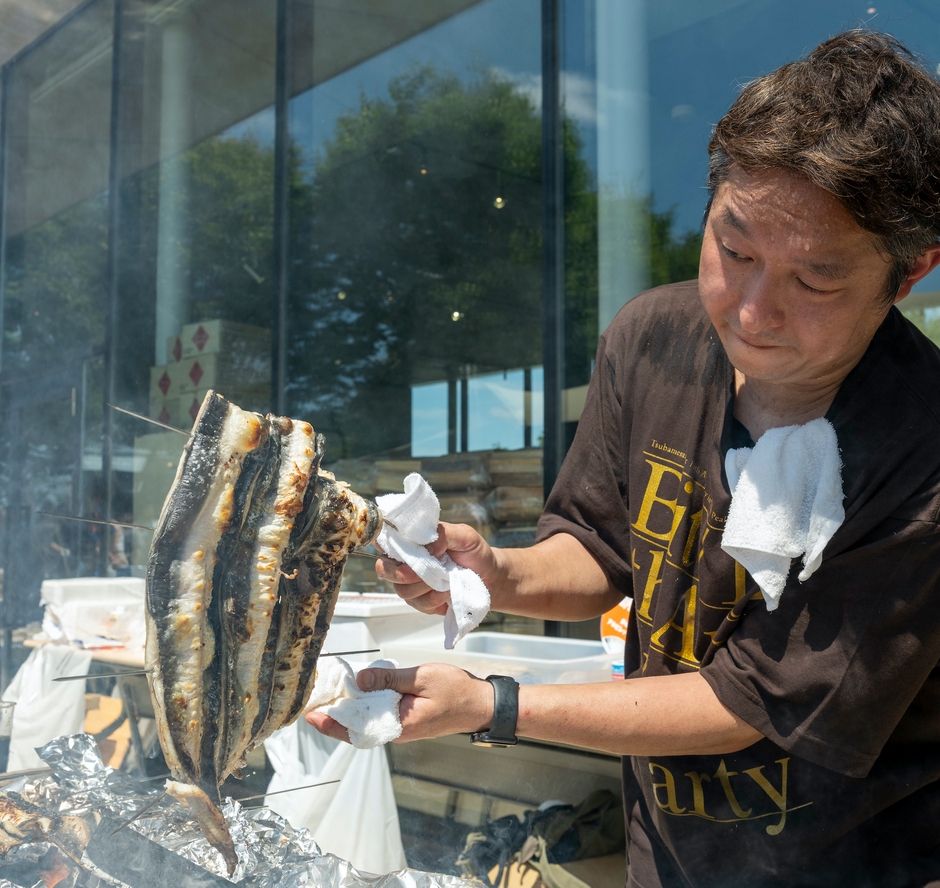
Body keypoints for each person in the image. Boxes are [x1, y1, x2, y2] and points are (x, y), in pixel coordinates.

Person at [309, 31, 940, 887]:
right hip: (666, 856)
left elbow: (744, 701)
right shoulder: (654, 340)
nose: (753, 312)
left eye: (816, 280)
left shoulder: (922, 453)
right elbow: (600, 549)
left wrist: (493, 706)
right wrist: (494, 574)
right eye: (735, 250)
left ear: (909, 273)